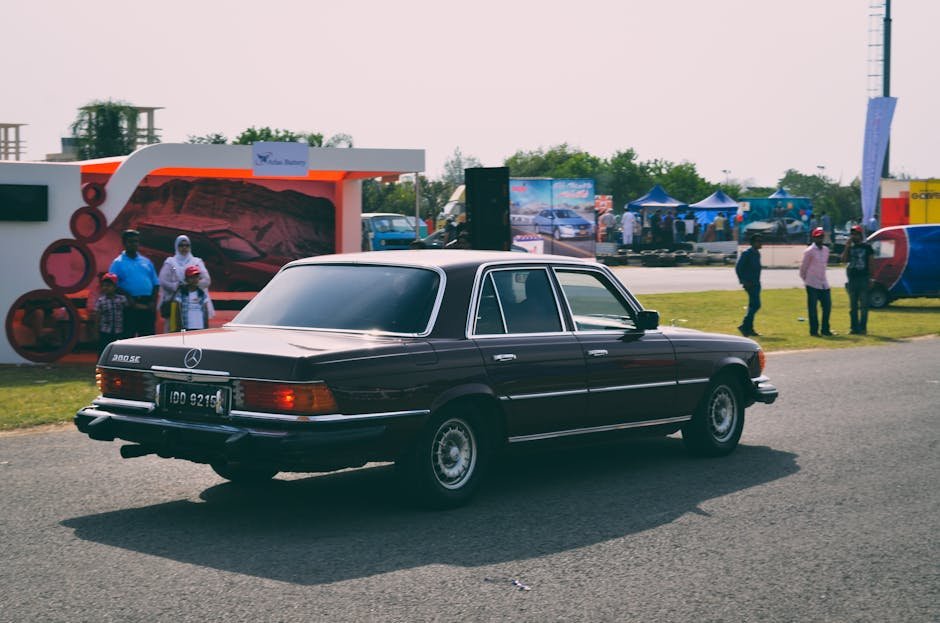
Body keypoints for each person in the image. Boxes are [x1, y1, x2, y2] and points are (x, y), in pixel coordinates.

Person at [109, 229, 159, 337]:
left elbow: (155, 283)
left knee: (147, 337)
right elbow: (112, 284)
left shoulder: (146, 261)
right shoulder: (117, 262)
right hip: (128, 305)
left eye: (136, 241)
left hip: (147, 304)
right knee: (128, 336)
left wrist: (153, 302)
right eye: (131, 241)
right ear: (124, 243)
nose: (134, 244)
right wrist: (128, 297)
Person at [158, 235, 210, 331]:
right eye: (181, 245)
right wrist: (176, 286)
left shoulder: (197, 262)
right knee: (173, 328)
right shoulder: (170, 262)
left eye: (187, 245)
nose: (184, 248)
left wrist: (192, 284)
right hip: (175, 299)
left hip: (195, 299)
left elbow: (207, 280)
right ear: (176, 247)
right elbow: (163, 281)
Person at [799, 227, 834, 337]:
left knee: (827, 306)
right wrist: (807, 280)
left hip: (823, 283)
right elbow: (803, 269)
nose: (820, 239)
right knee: (813, 309)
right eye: (818, 237)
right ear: (814, 238)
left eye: (821, 237)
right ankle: (814, 331)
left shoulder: (826, 250)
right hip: (812, 283)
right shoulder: (809, 251)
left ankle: (825, 329)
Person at [841, 224, 874, 334]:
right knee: (853, 307)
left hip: (863, 278)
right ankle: (853, 328)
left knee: (864, 306)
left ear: (860, 235)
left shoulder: (867, 247)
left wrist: (871, 278)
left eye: (856, 234)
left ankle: (863, 328)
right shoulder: (850, 247)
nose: (854, 236)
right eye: (852, 234)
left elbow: (871, 263)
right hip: (852, 279)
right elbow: (844, 260)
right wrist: (847, 246)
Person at [168, 265, 215, 332]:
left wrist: (206, 327)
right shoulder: (181, 293)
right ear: (186, 279)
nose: (194, 280)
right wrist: (179, 327)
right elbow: (178, 312)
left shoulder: (201, 294)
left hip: (199, 327)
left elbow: (205, 312)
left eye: (196, 277)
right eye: (192, 277)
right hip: (186, 327)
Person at [735, 233, 763, 337]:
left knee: (753, 305)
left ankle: (748, 328)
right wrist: (743, 281)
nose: (761, 243)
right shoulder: (747, 253)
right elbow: (738, 268)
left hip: (756, 282)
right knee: (756, 305)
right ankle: (744, 325)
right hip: (750, 283)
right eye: (759, 241)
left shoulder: (757, 253)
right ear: (753, 243)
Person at [92, 272, 128, 354]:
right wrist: (96, 331)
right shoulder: (101, 301)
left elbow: (126, 313)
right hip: (105, 331)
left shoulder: (122, 299)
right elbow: (97, 316)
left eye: (108, 286)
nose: (105, 288)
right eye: (103, 286)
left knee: (117, 351)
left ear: (115, 287)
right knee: (104, 350)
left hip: (119, 331)